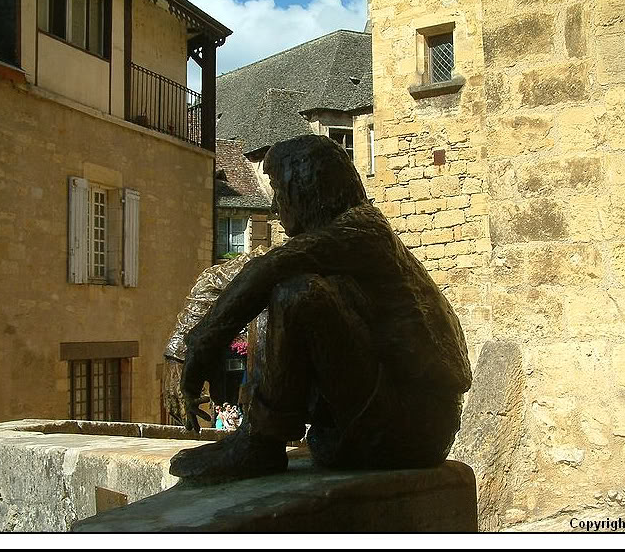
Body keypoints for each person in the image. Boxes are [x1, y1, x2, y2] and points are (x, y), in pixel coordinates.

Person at [170, 134, 471, 481]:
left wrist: (203, 343)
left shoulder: (362, 233)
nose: (274, 208)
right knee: (279, 288)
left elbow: (264, 270)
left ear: (305, 188)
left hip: (408, 428)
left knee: (297, 294)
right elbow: (229, 276)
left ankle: (259, 445)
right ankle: (258, 439)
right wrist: (179, 350)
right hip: (384, 419)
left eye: (278, 191)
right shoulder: (335, 239)